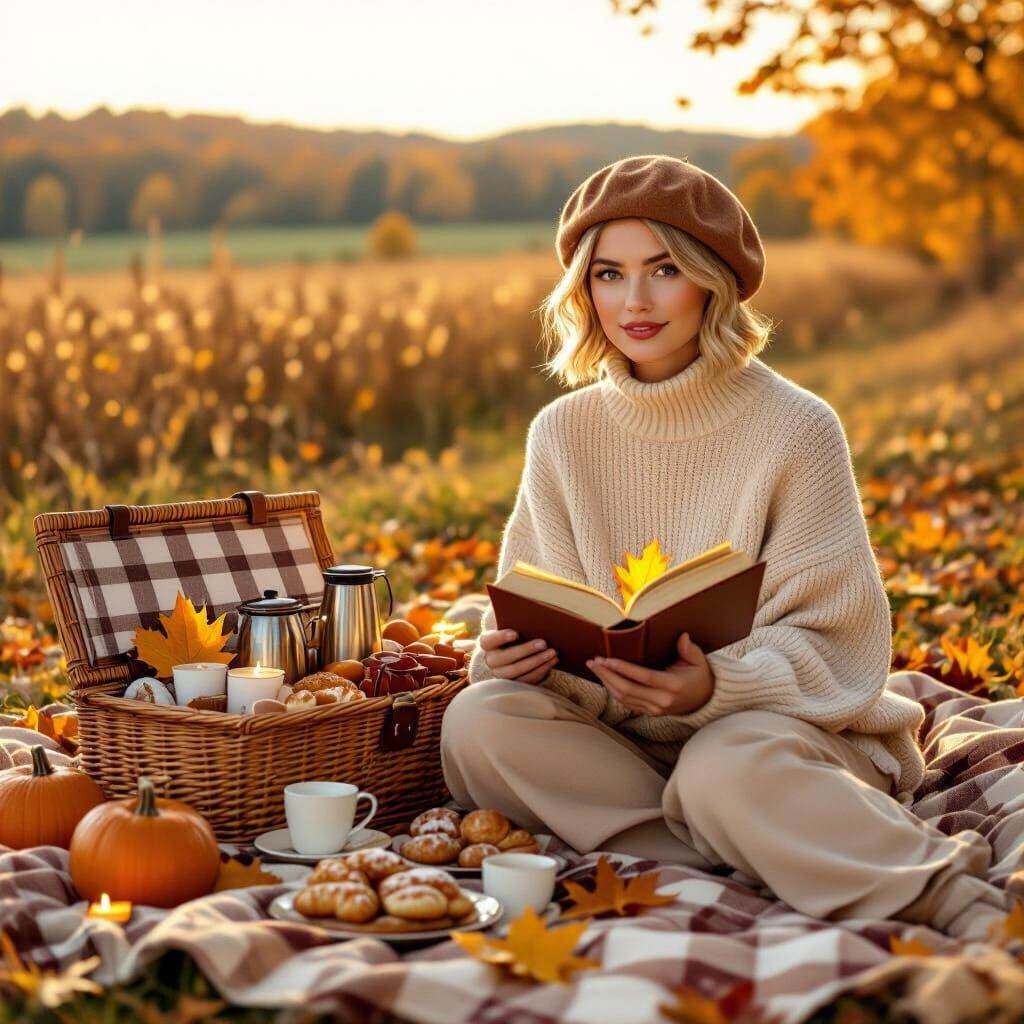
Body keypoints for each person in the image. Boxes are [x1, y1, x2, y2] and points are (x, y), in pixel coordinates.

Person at [439, 154, 1012, 943]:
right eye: (608, 274)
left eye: (663, 269)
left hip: (779, 736)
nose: (633, 300)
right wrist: (511, 661)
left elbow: (839, 645)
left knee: (724, 765)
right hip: (631, 750)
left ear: (713, 280)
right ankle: (759, 851)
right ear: (583, 289)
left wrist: (715, 688)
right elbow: (543, 608)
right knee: (478, 722)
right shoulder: (562, 434)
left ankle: (939, 894)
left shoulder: (796, 427)